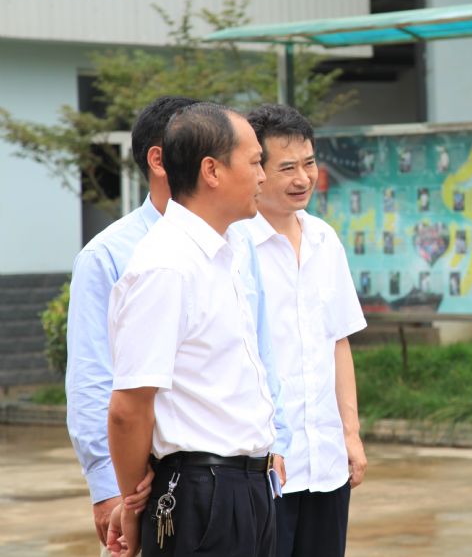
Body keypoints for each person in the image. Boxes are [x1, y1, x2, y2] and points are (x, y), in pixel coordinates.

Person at [67, 97, 289, 556]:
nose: (263, 177)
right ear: (211, 171)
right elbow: (128, 408)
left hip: (247, 484)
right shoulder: (166, 265)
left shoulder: (227, 251)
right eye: (254, 162)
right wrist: (130, 504)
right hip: (201, 493)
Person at [245, 104, 368, 557]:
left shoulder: (324, 240)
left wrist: (350, 434)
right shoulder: (236, 246)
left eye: (310, 163)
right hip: (264, 467)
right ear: (258, 169)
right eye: (288, 168)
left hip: (326, 462)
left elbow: (338, 341)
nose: (303, 178)